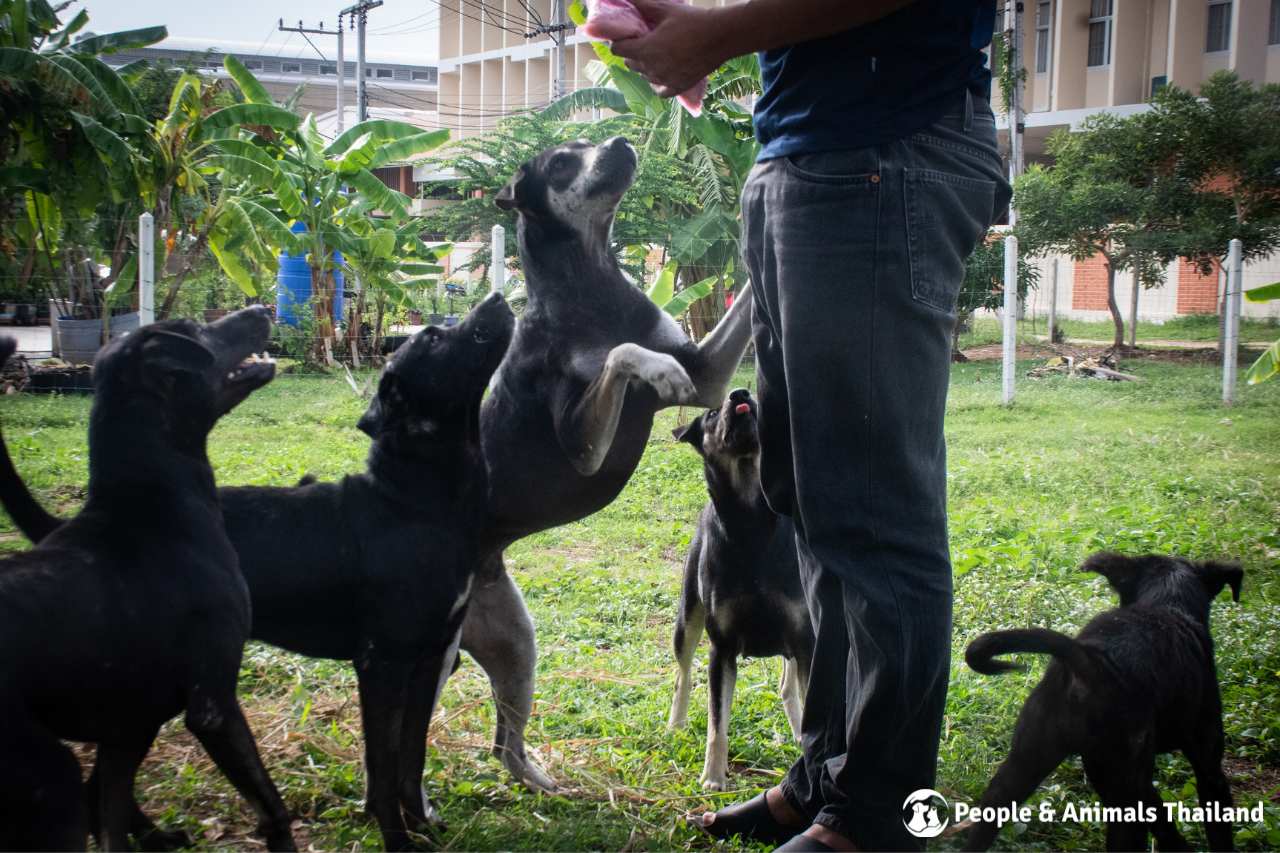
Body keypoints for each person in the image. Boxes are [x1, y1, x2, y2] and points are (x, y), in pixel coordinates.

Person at [612, 2, 1011, 850]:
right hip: (810, 148)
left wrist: (714, 37)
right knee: (809, 496)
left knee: (873, 511)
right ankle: (829, 774)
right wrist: (704, 21)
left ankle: (876, 816)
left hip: (881, 146)